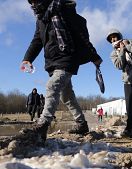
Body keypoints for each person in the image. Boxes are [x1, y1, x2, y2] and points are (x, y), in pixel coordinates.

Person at [20, 0, 103, 143]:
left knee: (52, 86)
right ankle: (82, 124)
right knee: (67, 96)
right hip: (52, 61)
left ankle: (43, 125)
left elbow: (80, 35)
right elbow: (37, 40)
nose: (33, 3)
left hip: (67, 57)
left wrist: (94, 56)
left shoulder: (64, 10)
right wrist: (28, 58)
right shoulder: (40, 18)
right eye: (31, 1)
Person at [106, 28, 132, 138]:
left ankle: (130, 129)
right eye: (111, 39)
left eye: (115, 37)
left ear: (119, 36)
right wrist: (122, 50)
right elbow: (119, 65)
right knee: (129, 106)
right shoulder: (113, 54)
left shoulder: (131, 43)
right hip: (127, 81)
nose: (114, 39)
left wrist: (127, 46)